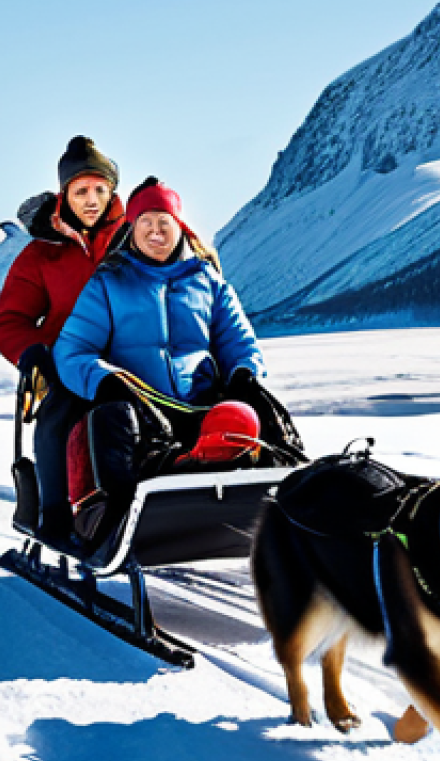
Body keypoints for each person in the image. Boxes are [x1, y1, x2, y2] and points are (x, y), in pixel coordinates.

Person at [54, 177, 302, 549]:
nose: (156, 232)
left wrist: (244, 376)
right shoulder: (108, 284)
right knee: (113, 418)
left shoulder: (209, 282)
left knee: (256, 410)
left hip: (202, 404)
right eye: (146, 223)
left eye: (163, 223)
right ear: (132, 229)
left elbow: (239, 341)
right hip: (141, 410)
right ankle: (115, 521)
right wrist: (104, 380)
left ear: (179, 227)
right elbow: (72, 350)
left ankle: (298, 500)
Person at [0, 135, 126, 539]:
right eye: (81, 190)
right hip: (66, 362)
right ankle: (56, 514)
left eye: (100, 190)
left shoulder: (133, 238)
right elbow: (9, 320)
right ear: (64, 193)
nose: (91, 200)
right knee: (60, 416)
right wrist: (33, 353)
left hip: (133, 357)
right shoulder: (40, 255)